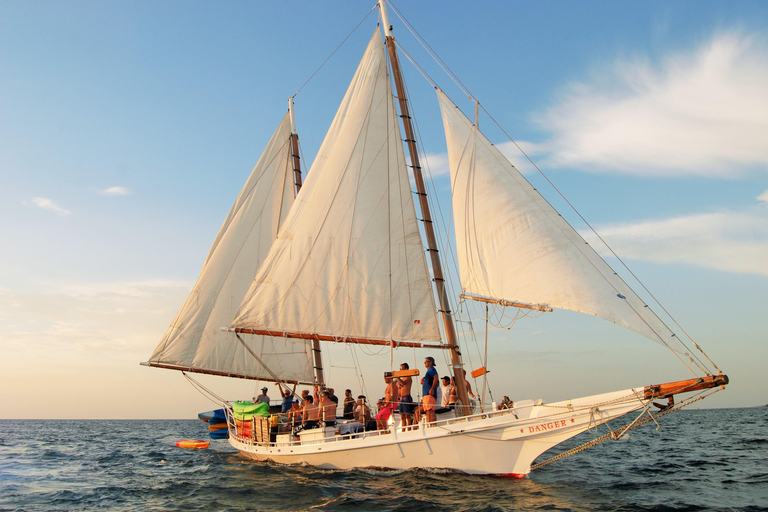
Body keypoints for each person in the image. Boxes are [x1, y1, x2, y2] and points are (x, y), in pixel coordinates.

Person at [392, 362, 414, 430]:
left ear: (406, 369)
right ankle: (403, 429)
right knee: (402, 416)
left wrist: (398, 378)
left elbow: (403, 383)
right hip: (402, 398)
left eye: (401, 368)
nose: (400, 370)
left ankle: (409, 429)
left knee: (407, 415)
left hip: (406, 397)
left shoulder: (408, 377)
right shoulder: (403, 377)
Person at [417, 356, 438, 424]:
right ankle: (430, 424)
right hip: (426, 394)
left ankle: (433, 424)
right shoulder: (429, 370)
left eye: (426, 361)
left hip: (429, 394)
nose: (425, 363)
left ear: (431, 362)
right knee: (427, 410)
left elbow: (436, 377)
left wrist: (432, 389)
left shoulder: (431, 369)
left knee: (430, 410)